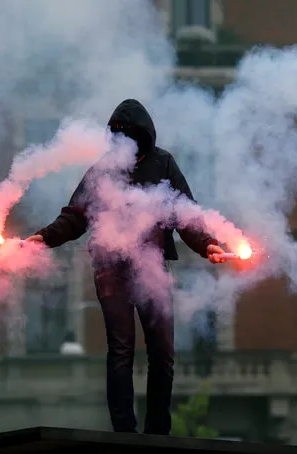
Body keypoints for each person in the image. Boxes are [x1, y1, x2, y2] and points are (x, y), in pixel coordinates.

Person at [26, 99, 226, 434]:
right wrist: (45, 237)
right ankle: (124, 430)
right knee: (121, 347)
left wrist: (208, 245)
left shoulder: (163, 163)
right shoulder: (104, 169)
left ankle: (157, 429)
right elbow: (76, 215)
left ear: (144, 136)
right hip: (111, 266)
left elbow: (186, 215)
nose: (125, 144)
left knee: (162, 351)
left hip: (151, 265)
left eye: (131, 136)